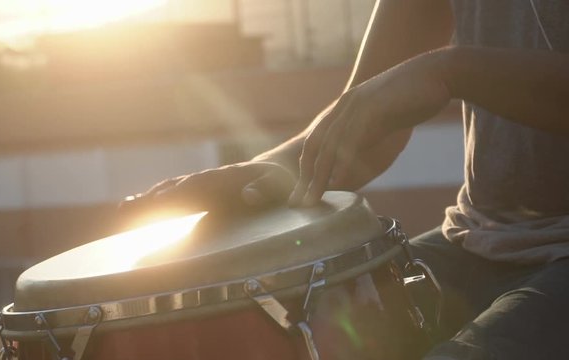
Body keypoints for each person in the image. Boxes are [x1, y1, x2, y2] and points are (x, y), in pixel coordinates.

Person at [125, 1, 569, 359]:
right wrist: (268, 172)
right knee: (304, 330)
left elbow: (430, 77)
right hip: (477, 235)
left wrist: (450, 71)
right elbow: (368, 132)